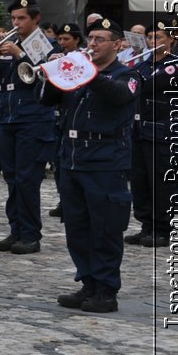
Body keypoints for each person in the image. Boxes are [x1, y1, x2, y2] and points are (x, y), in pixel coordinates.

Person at [44, 19, 138, 313]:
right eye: (91, 39)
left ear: (118, 44)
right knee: (77, 226)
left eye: (100, 39)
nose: (92, 44)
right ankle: (88, 282)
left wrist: (88, 73)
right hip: (72, 157)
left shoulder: (129, 74)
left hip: (106, 160)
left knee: (106, 226)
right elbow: (48, 100)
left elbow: (119, 95)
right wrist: (55, 72)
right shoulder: (78, 71)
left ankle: (107, 290)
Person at [0, 0, 56, 255]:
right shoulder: (9, 44)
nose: (16, 23)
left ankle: (30, 234)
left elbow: (47, 73)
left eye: (21, 18)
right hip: (7, 117)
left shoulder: (47, 45)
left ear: (35, 19)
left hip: (34, 119)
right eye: (13, 18)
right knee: (12, 177)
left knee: (27, 179)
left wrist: (20, 54)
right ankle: (15, 229)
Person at [128, 17, 178, 247]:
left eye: (159, 37)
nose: (154, 41)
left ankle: (163, 229)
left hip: (164, 132)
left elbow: (154, 84)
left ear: (171, 39)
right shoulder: (143, 64)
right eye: (151, 37)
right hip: (140, 131)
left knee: (161, 183)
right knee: (140, 181)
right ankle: (146, 226)